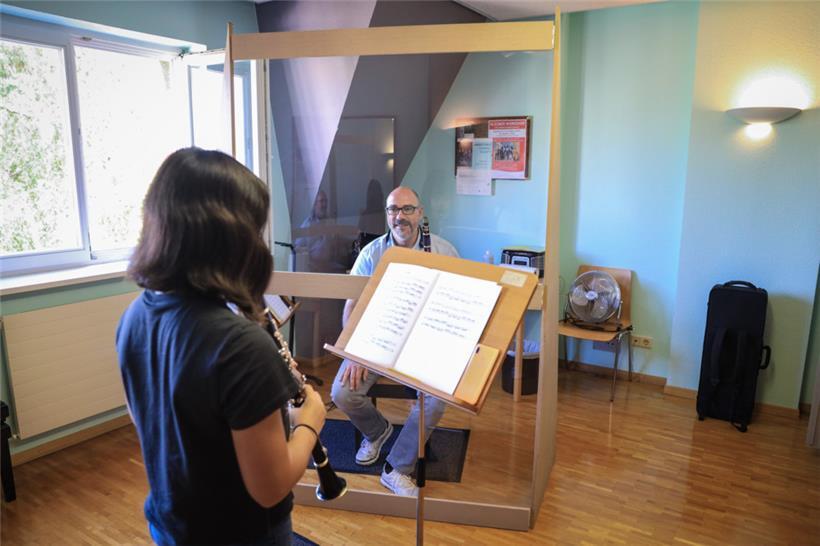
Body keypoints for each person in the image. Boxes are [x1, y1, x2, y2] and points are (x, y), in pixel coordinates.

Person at [116, 148, 326, 545]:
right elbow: (271, 487)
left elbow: (148, 417)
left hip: (171, 523)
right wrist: (309, 422)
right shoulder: (240, 346)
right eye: (254, 229)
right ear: (229, 235)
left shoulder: (133, 316)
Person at [330, 186, 459, 497]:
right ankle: (378, 432)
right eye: (393, 210)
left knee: (435, 399)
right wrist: (354, 354)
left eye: (407, 209)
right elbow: (351, 305)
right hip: (377, 343)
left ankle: (397, 467)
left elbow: (457, 303)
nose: (400, 216)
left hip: (424, 346)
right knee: (342, 393)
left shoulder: (444, 251)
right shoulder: (371, 253)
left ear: (420, 213)